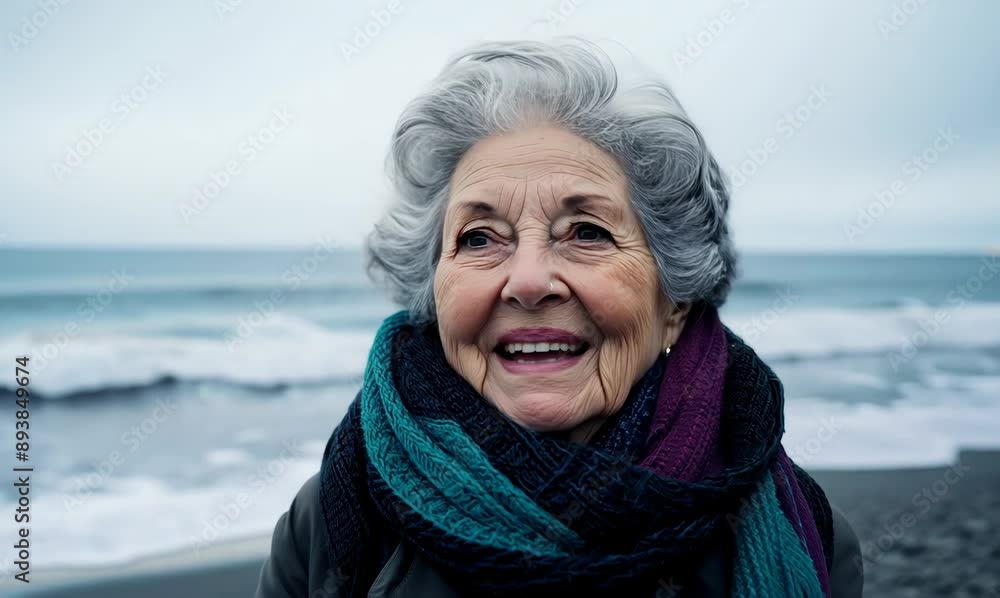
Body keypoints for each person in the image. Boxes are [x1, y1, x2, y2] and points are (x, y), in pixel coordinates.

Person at [255, 38, 863, 597]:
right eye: (478, 238)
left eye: (587, 232)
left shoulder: (803, 528)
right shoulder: (336, 520)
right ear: (433, 290)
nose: (527, 281)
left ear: (675, 302)